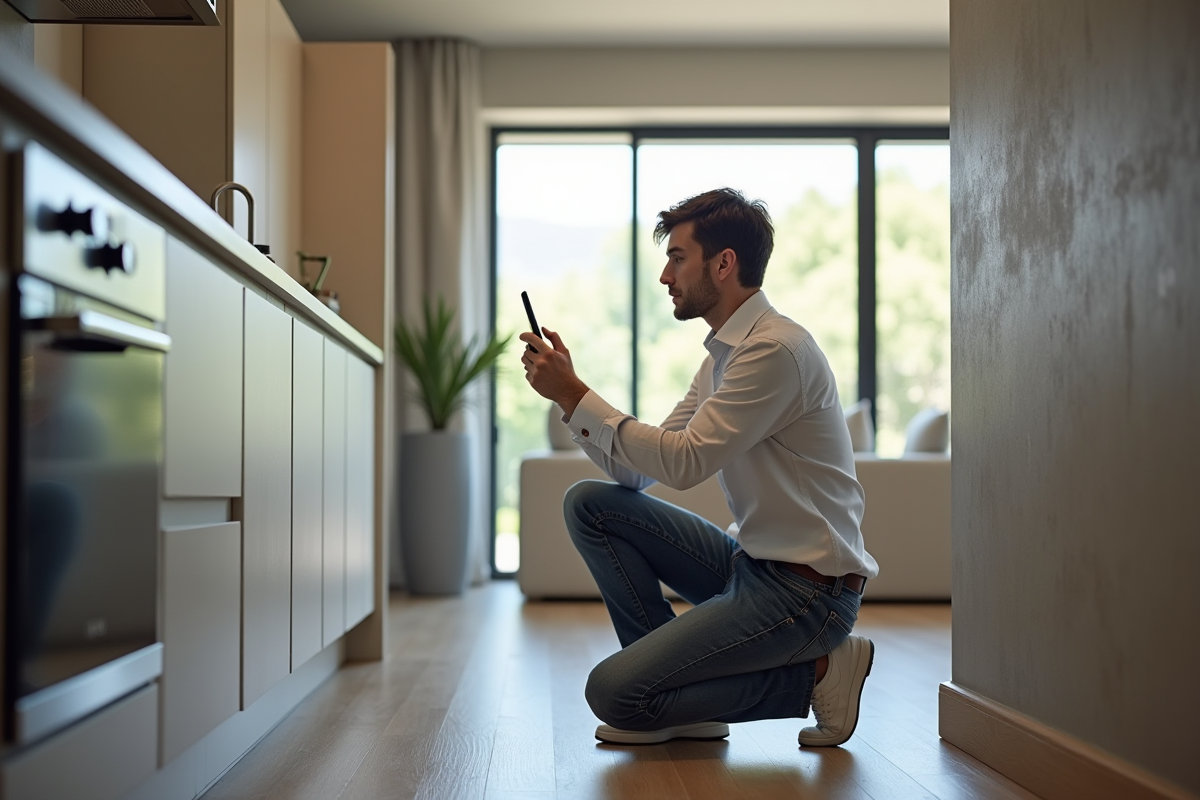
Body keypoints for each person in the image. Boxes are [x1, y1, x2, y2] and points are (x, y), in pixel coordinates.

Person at [519, 187, 878, 747]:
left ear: (724, 263)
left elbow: (685, 464)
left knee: (615, 695)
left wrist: (578, 391)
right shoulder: (723, 357)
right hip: (752, 565)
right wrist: (570, 401)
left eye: (677, 257)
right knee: (591, 504)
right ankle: (678, 699)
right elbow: (637, 474)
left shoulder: (774, 351)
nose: (666, 275)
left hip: (807, 594)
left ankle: (818, 675)